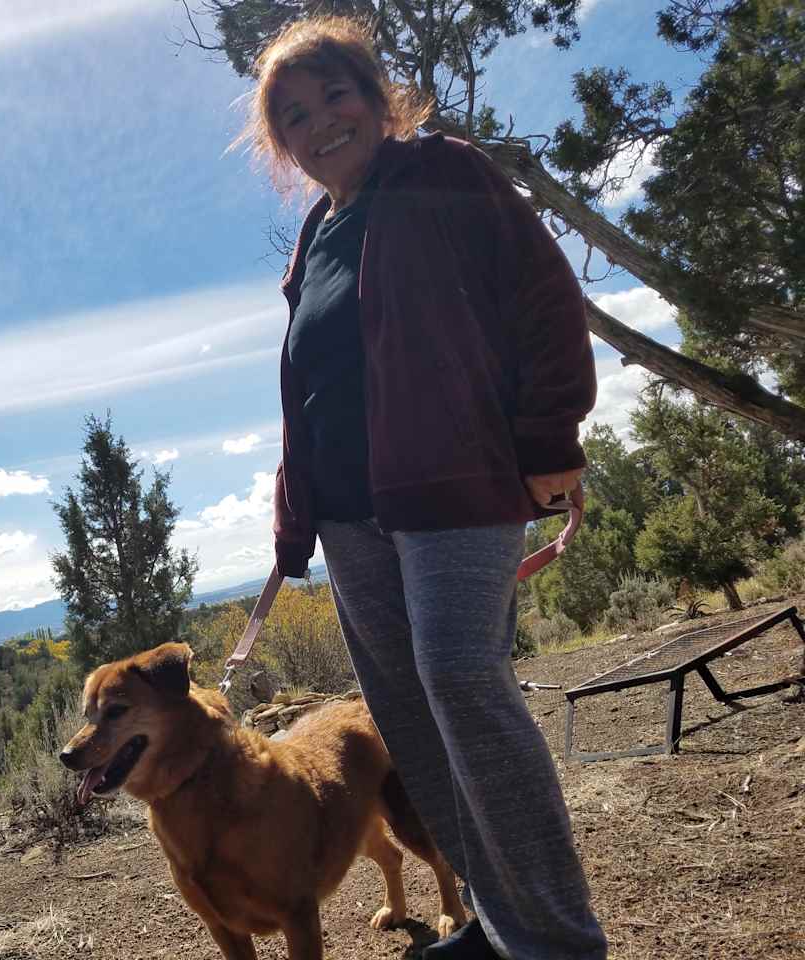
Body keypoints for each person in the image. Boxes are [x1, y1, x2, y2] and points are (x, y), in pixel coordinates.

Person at [241, 15, 609, 960]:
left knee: (460, 677)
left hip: (457, 481)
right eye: (293, 115)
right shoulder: (316, 237)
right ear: (280, 144)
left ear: (375, 95)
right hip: (353, 517)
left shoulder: (443, 172)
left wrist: (550, 429)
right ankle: (496, 919)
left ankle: (559, 940)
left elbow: (542, 293)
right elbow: (308, 390)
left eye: (335, 95)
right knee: (407, 712)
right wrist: (296, 519)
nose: (320, 122)